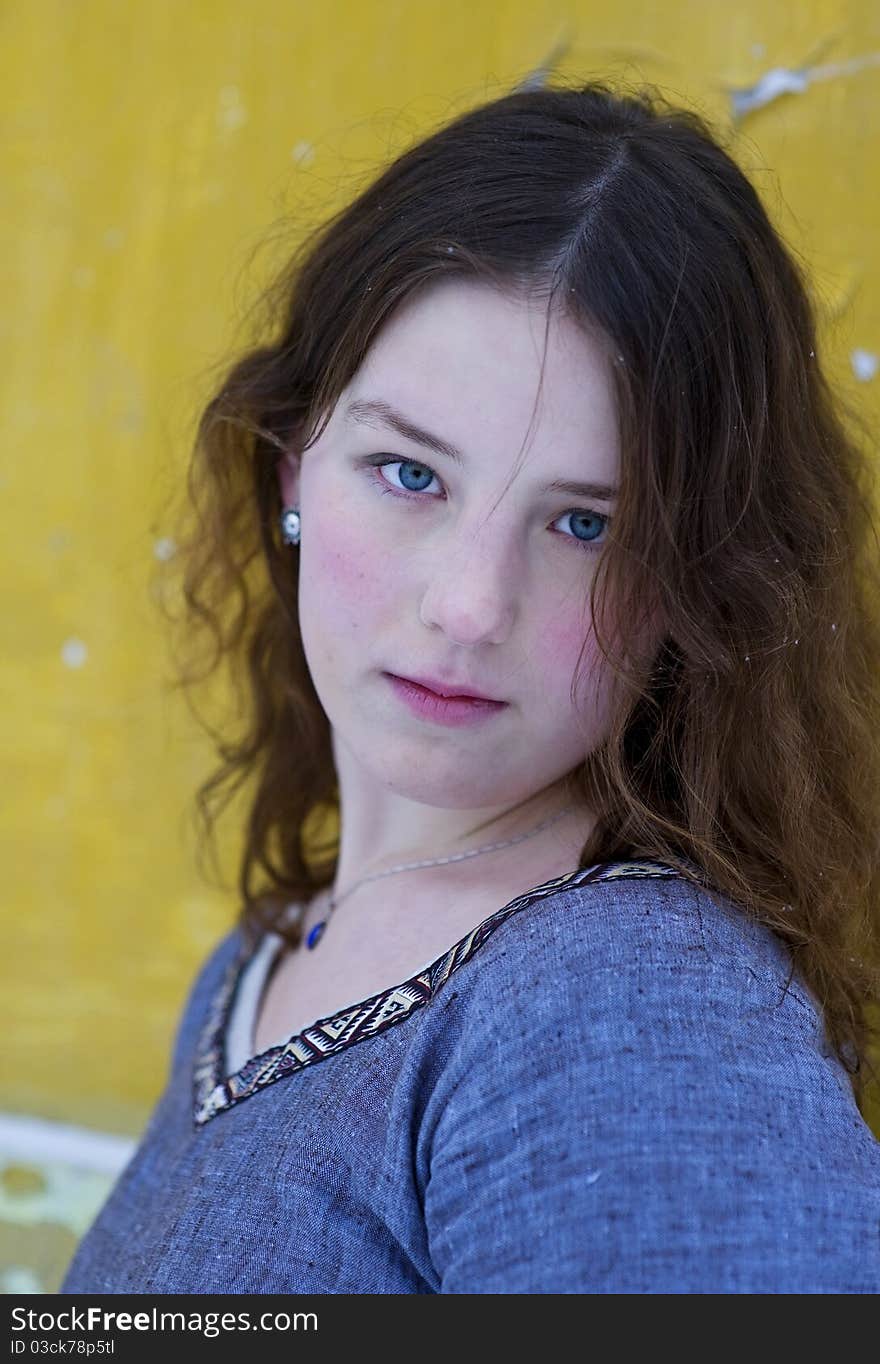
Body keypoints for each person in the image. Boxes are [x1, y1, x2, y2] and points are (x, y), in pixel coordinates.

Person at [60, 77, 880, 1295]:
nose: (470, 603)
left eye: (589, 523)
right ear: (295, 467)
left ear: (699, 581)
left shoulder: (626, 1004)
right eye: (407, 472)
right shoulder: (260, 960)